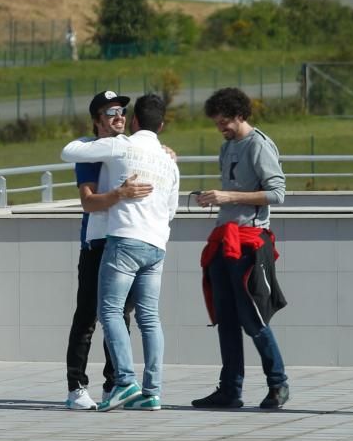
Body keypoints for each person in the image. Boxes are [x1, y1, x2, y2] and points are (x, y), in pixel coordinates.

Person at [61, 93, 180, 412]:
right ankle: (77, 386)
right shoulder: (91, 151)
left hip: (124, 240)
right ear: (97, 119)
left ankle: (116, 383)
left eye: (123, 112)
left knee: (120, 316)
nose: (119, 117)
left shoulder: (130, 146)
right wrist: (119, 194)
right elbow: (88, 202)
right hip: (98, 242)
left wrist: (162, 149)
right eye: (110, 112)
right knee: (88, 315)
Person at [193, 87, 290, 410]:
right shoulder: (228, 146)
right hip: (225, 238)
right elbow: (232, 189)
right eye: (217, 124)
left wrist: (229, 197)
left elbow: (277, 193)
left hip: (250, 241)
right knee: (226, 316)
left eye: (224, 122)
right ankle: (230, 389)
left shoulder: (259, 145)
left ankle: (278, 384)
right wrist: (214, 196)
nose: (221, 128)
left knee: (253, 317)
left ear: (239, 115)